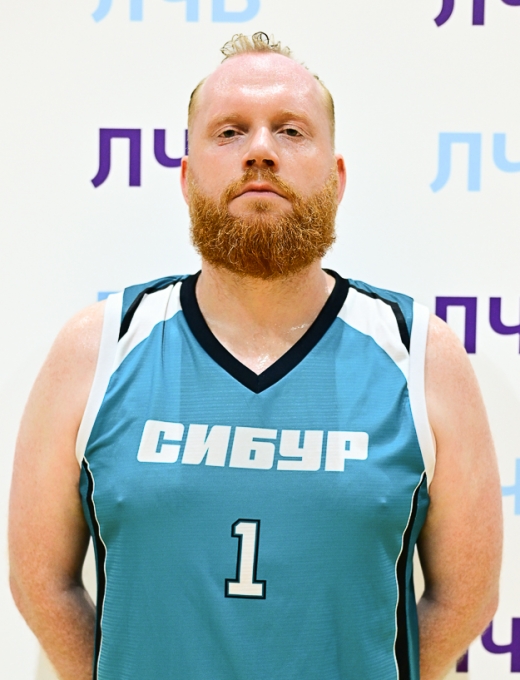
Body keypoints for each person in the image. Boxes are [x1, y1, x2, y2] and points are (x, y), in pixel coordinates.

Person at [9, 32, 502, 680]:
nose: (261, 151)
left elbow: (466, 596)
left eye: (291, 131)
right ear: (187, 178)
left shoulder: (420, 355)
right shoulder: (97, 348)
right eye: (230, 132)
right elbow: (41, 581)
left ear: (337, 178)